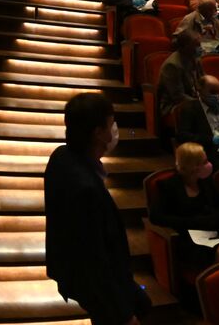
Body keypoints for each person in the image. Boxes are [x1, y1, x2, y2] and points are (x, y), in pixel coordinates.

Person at [46, 92, 151, 325]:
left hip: (86, 273)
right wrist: (122, 313)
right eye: (110, 124)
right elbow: (94, 259)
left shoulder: (61, 156)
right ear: (98, 133)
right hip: (94, 280)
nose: (114, 129)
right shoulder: (85, 189)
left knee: (143, 303)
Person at [150, 142, 219, 272]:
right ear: (193, 166)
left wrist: (212, 218)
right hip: (191, 239)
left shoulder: (207, 181)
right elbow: (156, 217)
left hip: (216, 231)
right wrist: (191, 222)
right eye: (204, 161)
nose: (208, 164)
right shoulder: (169, 186)